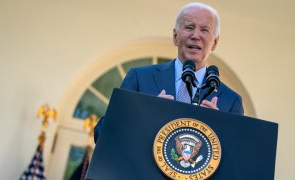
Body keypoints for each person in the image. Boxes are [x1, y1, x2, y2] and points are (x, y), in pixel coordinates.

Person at [94, 2, 243, 143]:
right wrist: (145, 115)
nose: (196, 35)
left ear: (215, 43)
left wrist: (220, 129)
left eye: (204, 30)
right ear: (175, 36)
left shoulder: (231, 101)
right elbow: (101, 134)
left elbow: (237, 159)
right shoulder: (140, 78)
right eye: (189, 27)